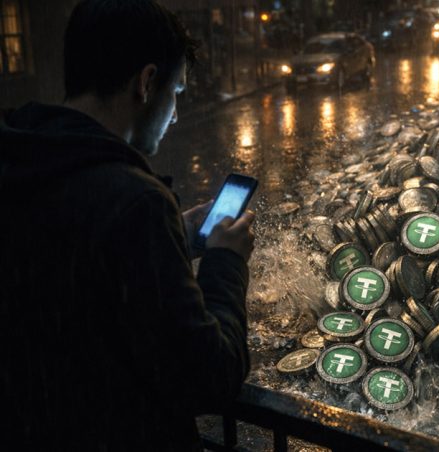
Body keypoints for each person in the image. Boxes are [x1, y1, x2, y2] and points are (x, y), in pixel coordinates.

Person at [0, 1, 255, 450]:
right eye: (176, 91)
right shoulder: (136, 203)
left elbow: (72, 265)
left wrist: (174, 236)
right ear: (147, 82)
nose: (175, 114)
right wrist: (225, 262)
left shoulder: (22, 162)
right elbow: (209, 376)